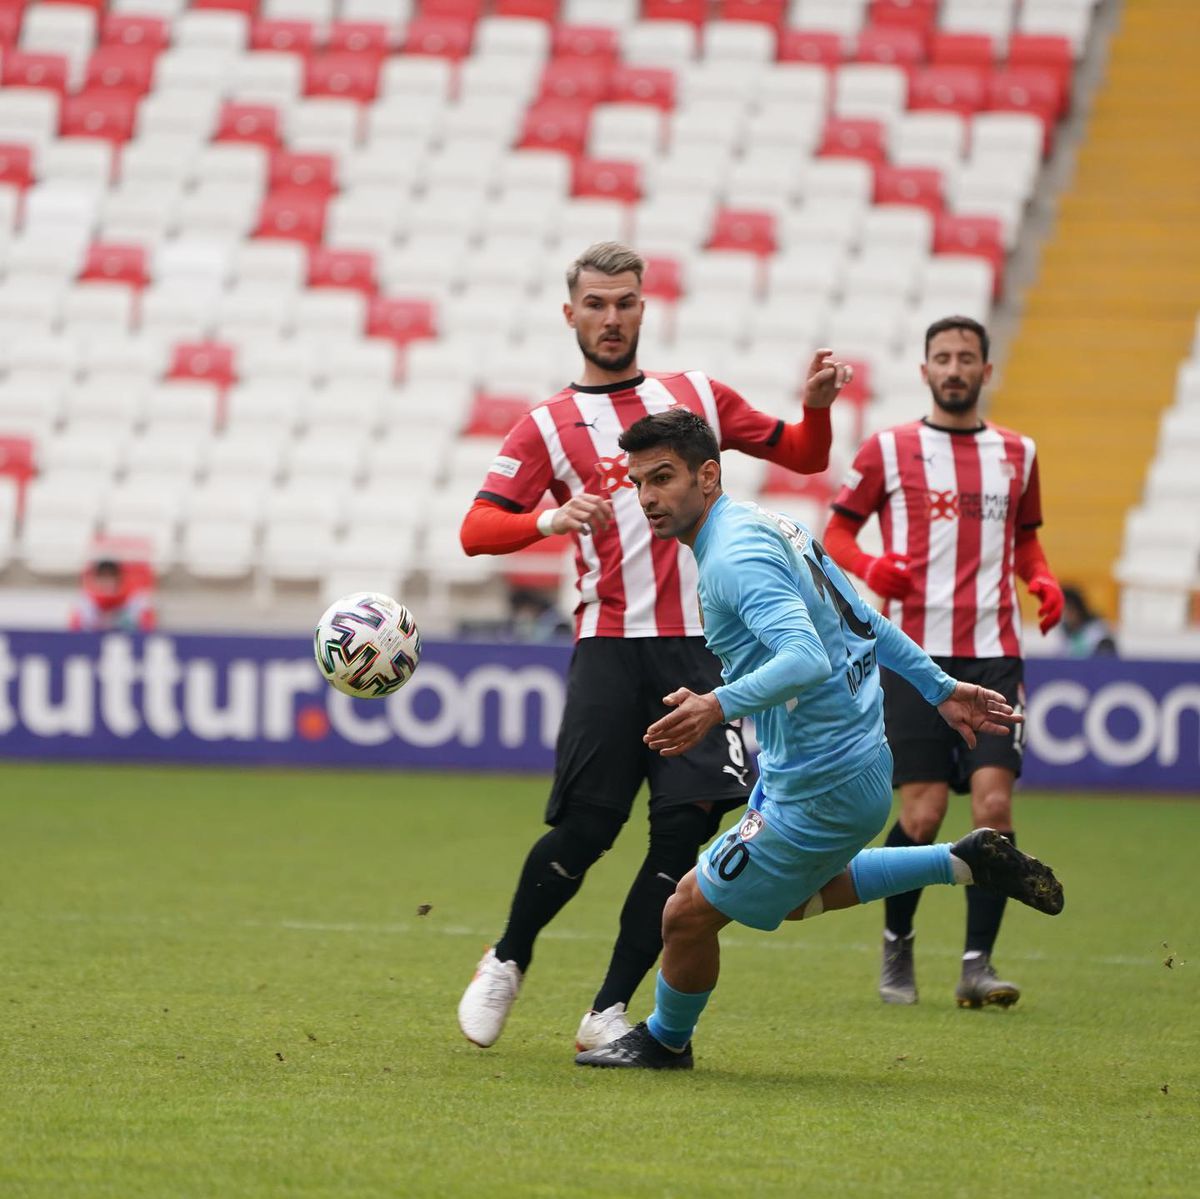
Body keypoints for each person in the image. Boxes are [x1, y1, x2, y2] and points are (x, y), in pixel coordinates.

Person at [574, 407, 1063, 1069]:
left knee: (686, 912)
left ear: (709, 475)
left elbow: (806, 657)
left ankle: (665, 1039)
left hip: (820, 781)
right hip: (847, 762)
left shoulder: (732, 558)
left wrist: (716, 703)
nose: (648, 497)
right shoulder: (772, 523)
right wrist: (941, 688)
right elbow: (863, 621)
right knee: (796, 896)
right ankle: (962, 860)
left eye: (663, 477)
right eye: (638, 482)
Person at [456, 241, 854, 1052]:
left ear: (645, 307)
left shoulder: (696, 396)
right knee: (586, 828)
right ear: (570, 314)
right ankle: (507, 955)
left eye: (626, 302)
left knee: (680, 836)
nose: (612, 318)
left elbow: (806, 454)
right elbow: (475, 530)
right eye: (596, 304)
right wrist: (547, 519)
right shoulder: (546, 425)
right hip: (610, 646)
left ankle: (607, 1008)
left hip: (708, 654)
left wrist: (815, 406)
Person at [821, 315, 1064, 1009]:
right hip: (913, 659)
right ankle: (898, 944)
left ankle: (977, 964)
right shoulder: (888, 449)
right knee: (922, 815)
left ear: (986, 371)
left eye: (967, 358)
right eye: (943, 357)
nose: (955, 368)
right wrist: (871, 565)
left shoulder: (1019, 452)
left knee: (993, 804)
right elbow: (836, 532)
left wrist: (1040, 580)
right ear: (924, 370)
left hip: (993, 655)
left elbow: (1026, 540)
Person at [67, 557, 156, 632]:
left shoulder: (136, 600)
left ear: (119, 578)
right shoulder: (85, 602)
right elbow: (75, 632)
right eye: (102, 576)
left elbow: (148, 629)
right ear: (95, 579)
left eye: (111, 576)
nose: (107, 581)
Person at [1045, 585, 1117, 657]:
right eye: (1062, 612)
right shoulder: (1060, 632)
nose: (1066, 616)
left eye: (1069, 610)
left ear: (1078, 610)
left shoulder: (1098, 630)